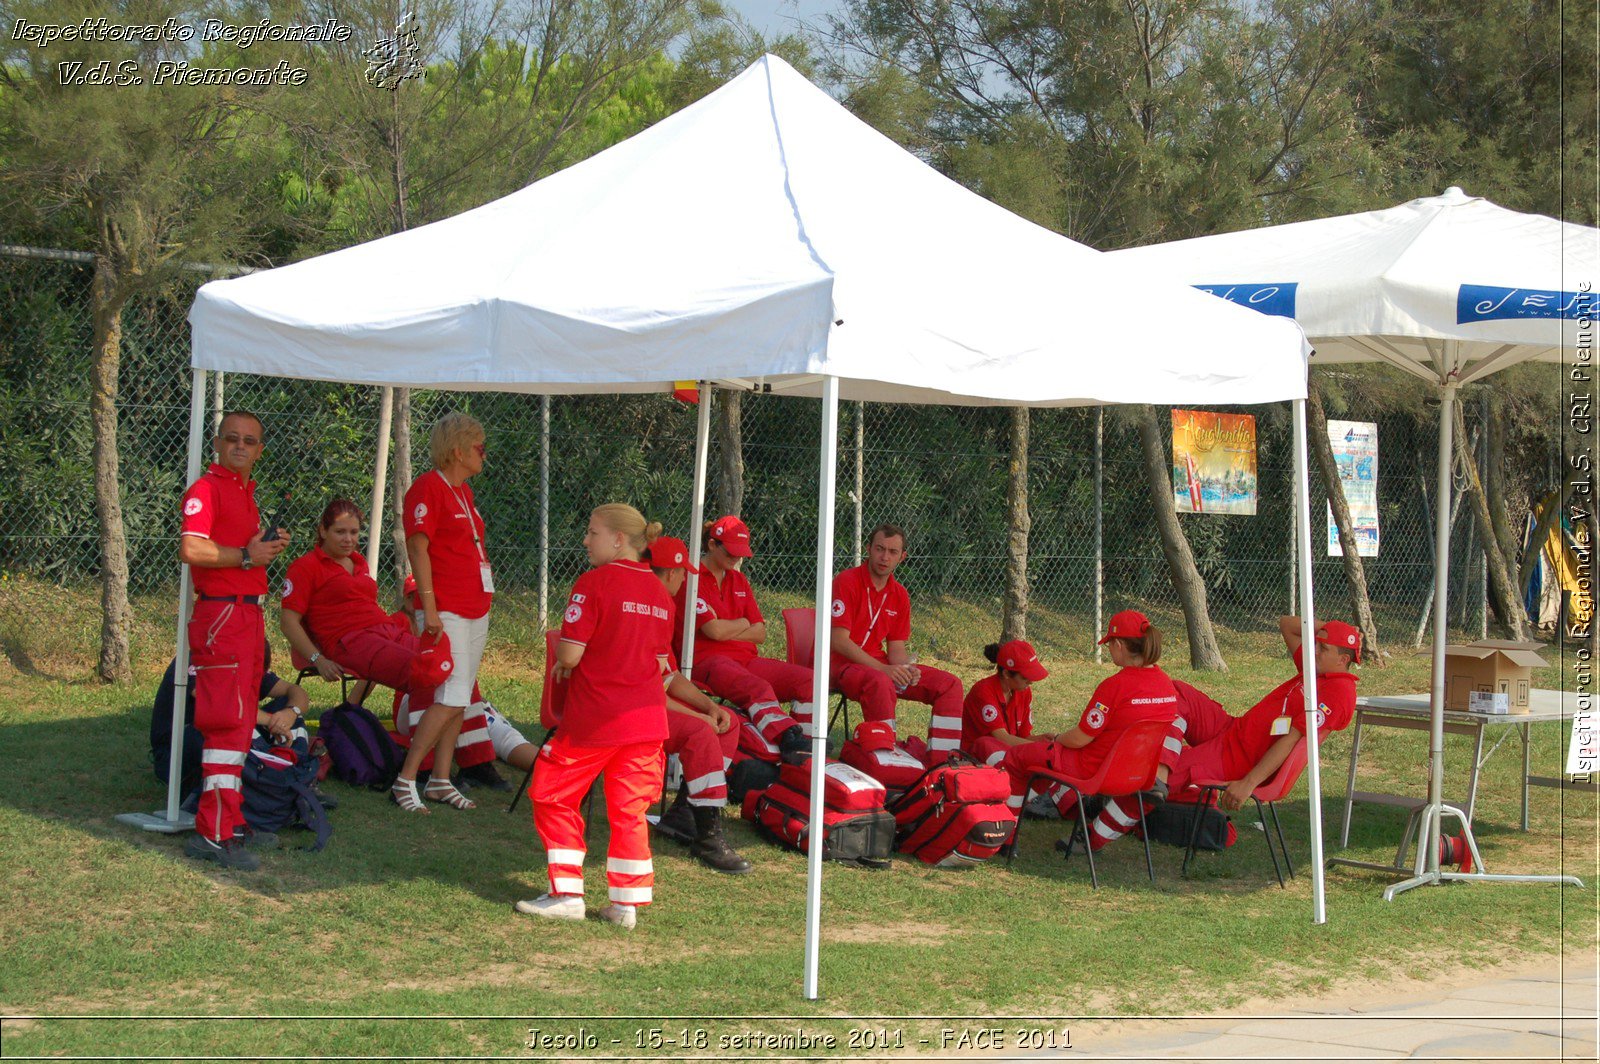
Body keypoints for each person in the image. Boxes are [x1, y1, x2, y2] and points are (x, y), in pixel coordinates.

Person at [1084, 616, 1364, 853]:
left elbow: (1291, 741)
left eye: (1322, 647)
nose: (1313, 649)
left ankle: (1091, 838)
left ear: (1342, 659)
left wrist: (1248, 783)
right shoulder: (1319, 669)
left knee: (1147, 785)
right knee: (1176, 692)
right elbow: (1286, 624)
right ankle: (1161, 769)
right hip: (1231, 730)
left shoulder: (1338, 693)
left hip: (1236, 759)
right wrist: (1332, 630)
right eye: (1315, 644)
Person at [518, 504, 673, 930]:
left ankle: (566, 893)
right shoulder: (661, 592)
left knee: (552, 793)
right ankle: (626, 903)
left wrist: (565, 662)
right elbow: (661, 663)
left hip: (597, 719)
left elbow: (570, 652)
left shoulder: (593, 583)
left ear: (619, 540)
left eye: (592, 532)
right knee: (629, 810)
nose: (586, 540)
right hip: (646, 722)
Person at [279, 497, 487, 808]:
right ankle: (413, 775)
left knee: (457, 669)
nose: (349, 539)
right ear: (322, 531)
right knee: (428, 671)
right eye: (340, 532)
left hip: (384, 630)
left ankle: (454, 772)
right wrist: (317, 659)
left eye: (354, 532)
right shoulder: (306, 567)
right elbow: (288, 621)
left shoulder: (359, 563)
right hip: (349, 641)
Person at [177, 410, 290, 869]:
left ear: (259, 450)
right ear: (218, 444)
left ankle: (232, 822)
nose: (241, 446)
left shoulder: (245, 490)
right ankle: (214, 833)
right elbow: (191, 548)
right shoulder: (206, 488)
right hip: (223, 613)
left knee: (242, 722)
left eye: (250, 441)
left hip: (246, 614)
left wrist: (262, 546)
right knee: (226, 723)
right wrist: (247, 554)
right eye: (232, 439)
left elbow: (238, 551)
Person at [998, 609, 1180, 824]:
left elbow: (1079, 739)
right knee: (1038, 758)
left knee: (1017, 757)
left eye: (1109, 644)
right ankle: (1028, 806)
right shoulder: (1168, 687)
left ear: (1119, 645)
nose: (1110, 649)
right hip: (1136, 775)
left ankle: (1004, 829)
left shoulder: (1115, 686)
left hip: (1094, 770)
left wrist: (1057, 739)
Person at [398, 413, 494, 813]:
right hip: (448, 607)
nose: (483, 455)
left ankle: (440, 779)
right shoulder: (428, 489)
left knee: (460, 696)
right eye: (479, 448)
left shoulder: (463, 493)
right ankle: (405, 778)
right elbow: (418, 549)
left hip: (474, 604)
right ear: (457, 450)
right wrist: (430, 608)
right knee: (451, 694)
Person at [647, 533, 752, 874]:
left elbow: (668, 676)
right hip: (630, 709)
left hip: (647, 700)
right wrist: (698, 715)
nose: (685, 580)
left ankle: (684, 810)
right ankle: (708, 836)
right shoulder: (648, 606)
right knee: (699, 732)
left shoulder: (663, 605)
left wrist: (709, 707)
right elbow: (647, 692)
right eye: (682, 574)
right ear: (672, 573)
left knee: (728, 721)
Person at [677, 515, 809, 762]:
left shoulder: (738, 579)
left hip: (745, 658)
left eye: (740, 553)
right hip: (706, 662)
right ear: (712, 545)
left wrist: (733, 627)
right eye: (731, 553)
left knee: (807, 681)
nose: (737, 558)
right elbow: (713, 632)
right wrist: (743, 622)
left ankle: (808, 748)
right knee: (757, 687)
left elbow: (760, 633)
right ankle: (786, 739)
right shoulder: (691, 578)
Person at [829, 523, 964, 752]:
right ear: (869, 549)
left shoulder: (900, 594)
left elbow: (896, 650)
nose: (884, 557)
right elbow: (838, 641)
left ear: (902, 557)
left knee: (949, 685)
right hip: (840, 665)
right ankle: (884, 755)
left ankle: (942, 762)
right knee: (880, 681)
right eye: (880, 549)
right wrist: (884, 670)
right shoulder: (846, 581)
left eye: (892, 552)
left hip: (878, 666)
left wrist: (905, 668)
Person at [150, 643, 313, 801]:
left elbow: (297, 691)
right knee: (218, 723)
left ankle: (296, 772)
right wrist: (272, 721)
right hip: (176, 754)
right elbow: (221, 705)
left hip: (228, 745)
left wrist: (291, 712)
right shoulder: (196, 660)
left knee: (286, 704)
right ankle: (267, 779)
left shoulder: (250, 662)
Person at [961, 639, 1049, 766]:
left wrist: (1043, 740)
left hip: (1004, 753)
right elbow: (1002, 738)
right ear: (1006, 673)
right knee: (987, 743)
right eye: (1025, 678)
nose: (1030, 682)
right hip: (975, 760)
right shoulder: (983, 691)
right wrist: (1042, 749)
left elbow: (1023, 736)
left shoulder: (1023, 691)